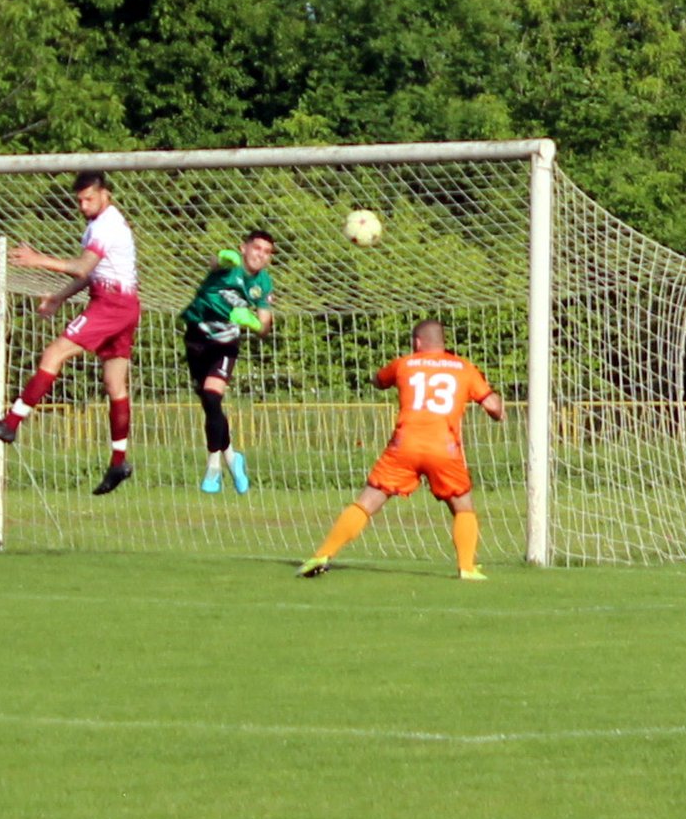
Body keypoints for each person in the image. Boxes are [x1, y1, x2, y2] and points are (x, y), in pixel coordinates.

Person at [0, 170, 140, 495]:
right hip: (121, 303)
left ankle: (10, 424)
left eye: (89, 198)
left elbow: (81, 267)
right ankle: (119, 461)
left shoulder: (107, 225)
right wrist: (60, 298)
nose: (83, 205)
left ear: (106, 194)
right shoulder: (98, 224)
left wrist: (38, 260)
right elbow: (90, 274)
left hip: (112, 304)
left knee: (53, 354)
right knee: (115, 385)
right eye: (79, 200)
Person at [298, 318, 504, 582]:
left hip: (404, 446)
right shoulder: (463, 368)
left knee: (368, 501)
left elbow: (379, 379)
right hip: (444, 448)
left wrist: (377, 379)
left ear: (417, 342)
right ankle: (466, 567)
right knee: (462, 505)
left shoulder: (404, 364)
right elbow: (493, 408)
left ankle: (323, 554)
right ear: (443, 342)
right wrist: (498, 405)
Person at [179, 229, 277, 494]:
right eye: (257, 248)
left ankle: (213, 466)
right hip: (197, 336)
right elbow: (215, 263)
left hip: (225, 344)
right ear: (244, 248)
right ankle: (232, 457)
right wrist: (223, 258)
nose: (261, 255)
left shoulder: (263, 284)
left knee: (213, 397)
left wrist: (254, 322)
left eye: (267, 252)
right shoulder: (229, 265)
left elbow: (265, 326)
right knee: (209, 406)